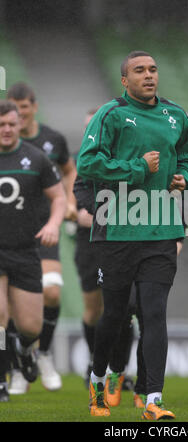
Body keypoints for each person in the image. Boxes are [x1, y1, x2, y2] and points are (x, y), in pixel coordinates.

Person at [76, 50, 188, 419]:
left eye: (153, 69)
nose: (149, 75)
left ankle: (153, 401)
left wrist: (184, 179)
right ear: (124, 80)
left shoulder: (176, 115)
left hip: (162, 227)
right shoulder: (110, 114)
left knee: (155, 313)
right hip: (118, 228)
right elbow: (87, 162)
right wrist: (137, 167)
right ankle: (100, 379)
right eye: (139, 71)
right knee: (114, 315)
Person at [6, 82, 77, 394]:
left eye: (16, 118)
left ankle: (36, 352)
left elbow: (65, 181)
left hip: (35, 239)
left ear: (32, 109)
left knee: (41, 308)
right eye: (5, 121)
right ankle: (9, 375)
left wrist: (61, 215)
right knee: (1, 312)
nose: (12, 124)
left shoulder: (43, 149)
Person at [73, 108, 145, 408]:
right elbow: (78, 190)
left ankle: (123, 373)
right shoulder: (87, 158)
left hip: (134, 240)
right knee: (99, 310)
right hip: (94, 243)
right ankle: (99, 366)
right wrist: (96, 213)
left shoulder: (130, 152)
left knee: (131, 308)